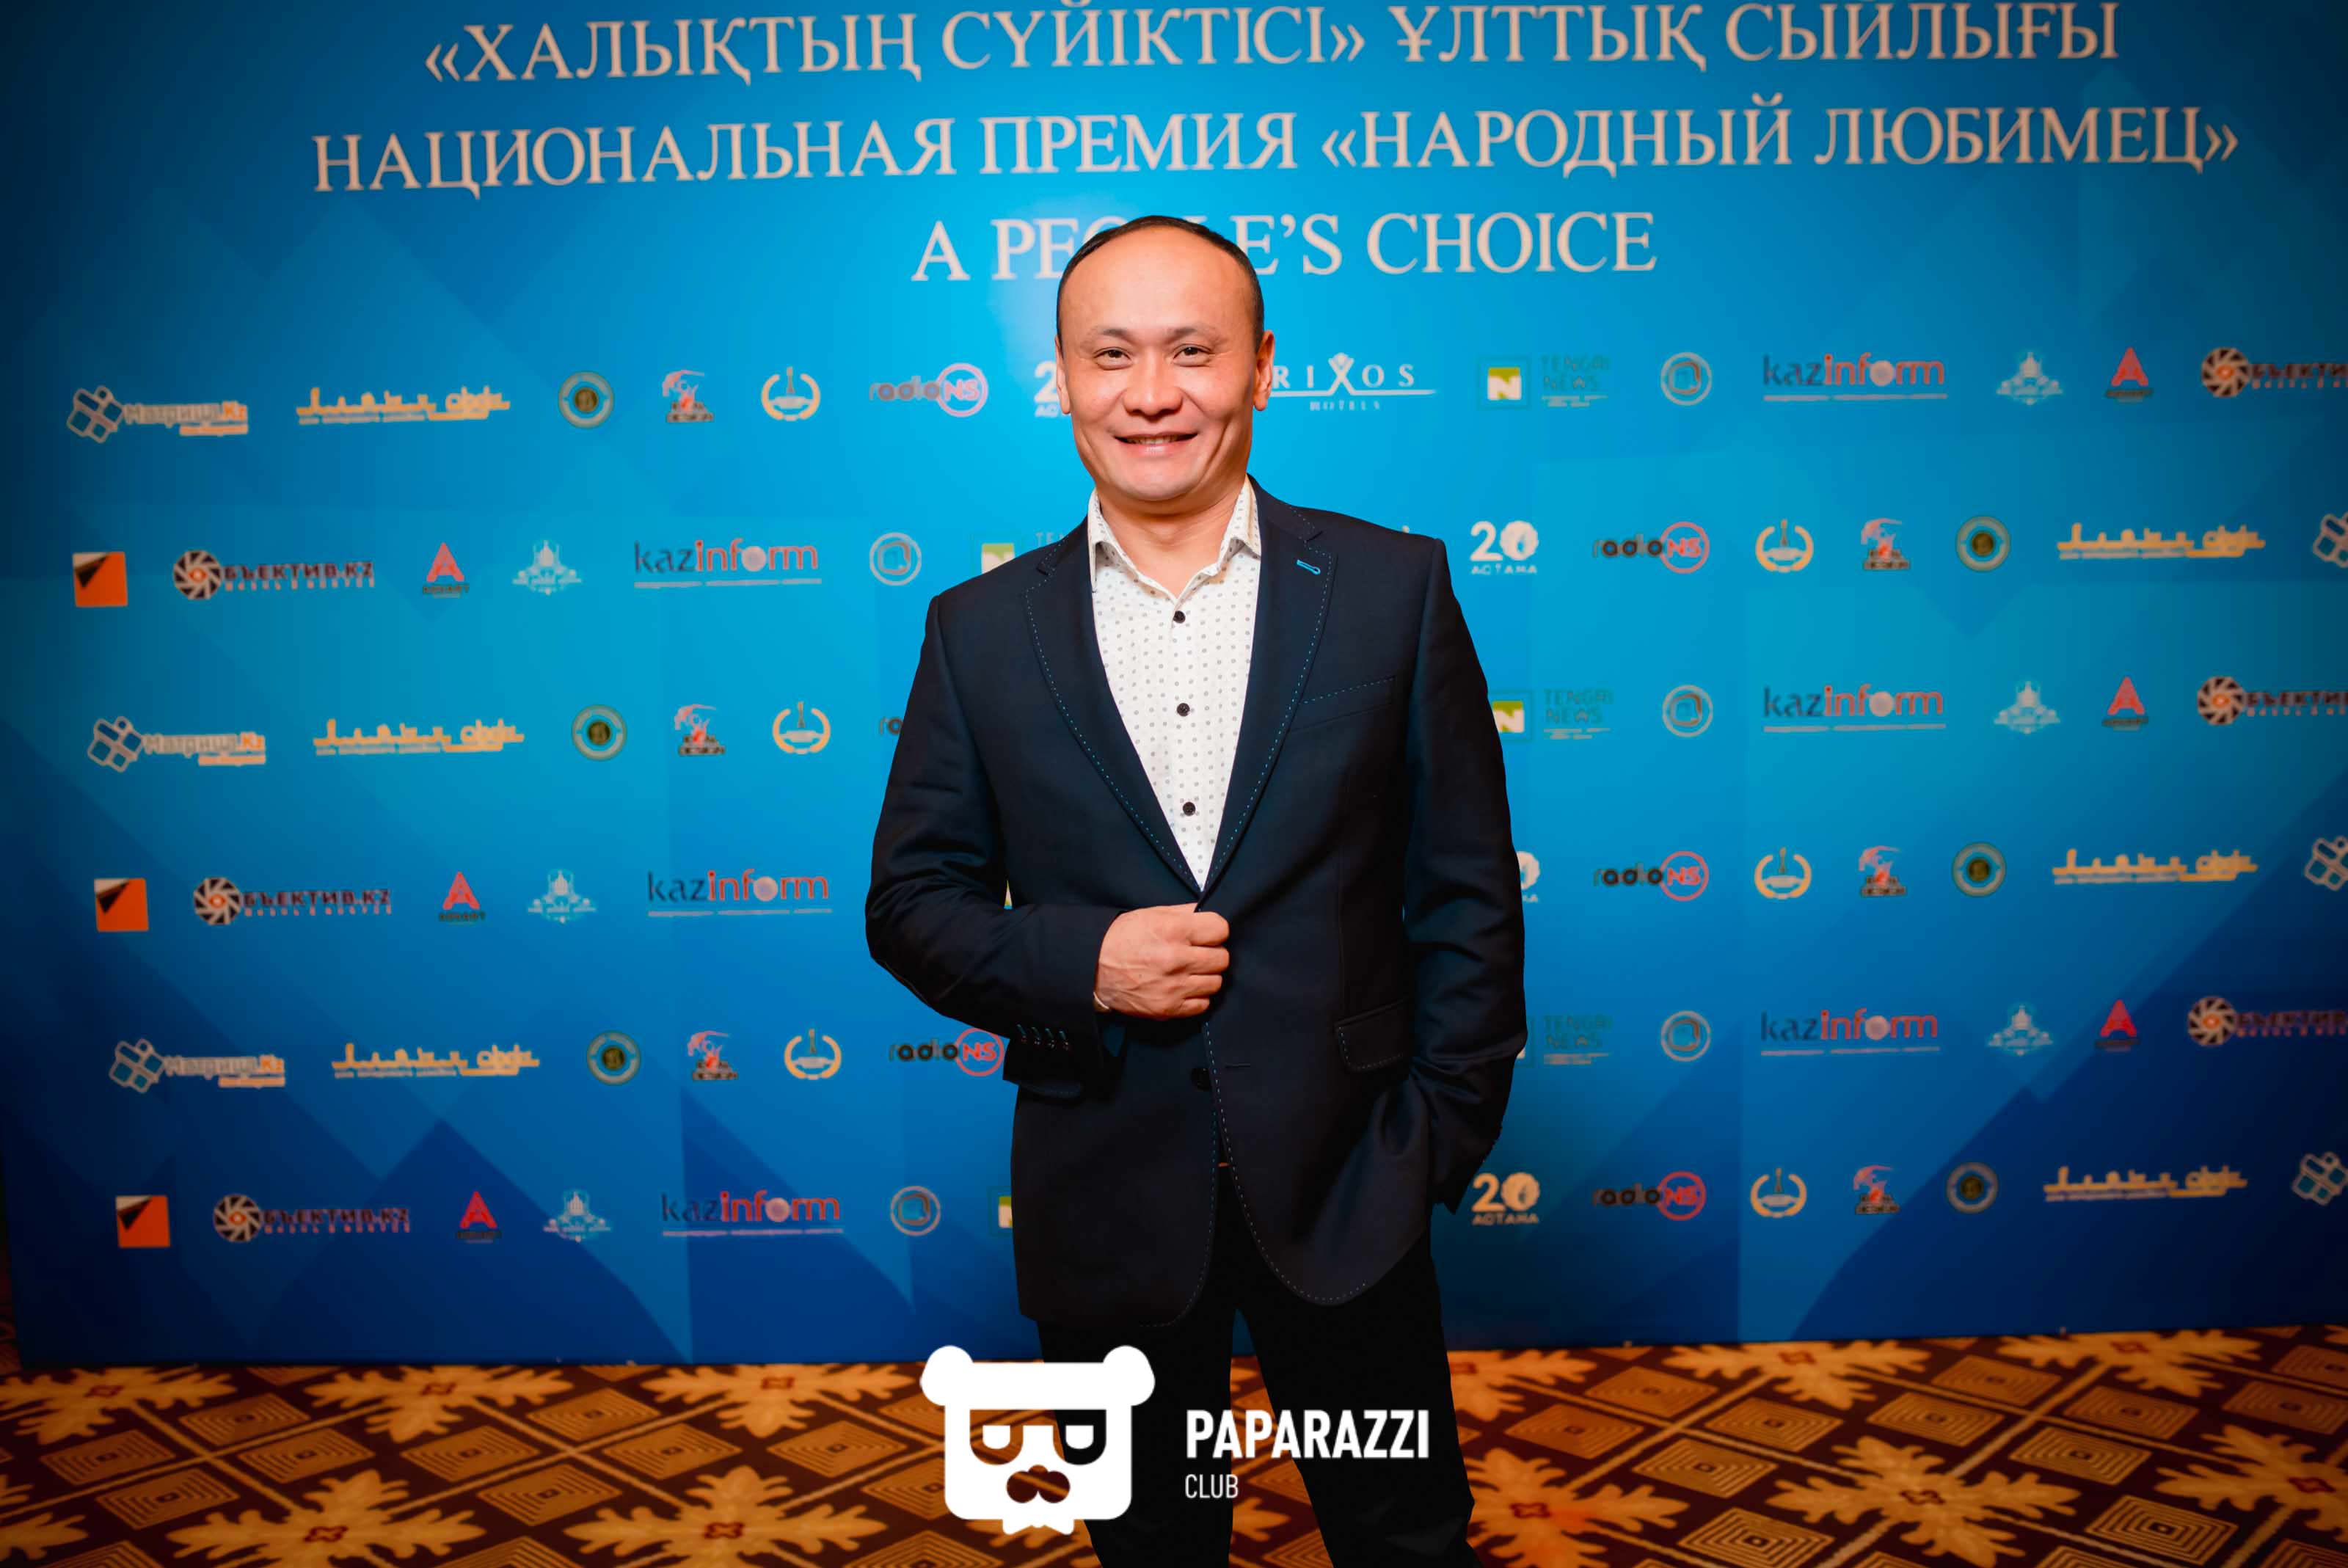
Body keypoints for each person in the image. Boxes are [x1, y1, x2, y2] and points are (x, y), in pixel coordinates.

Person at [866, 214, 1525, 1566]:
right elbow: (912, 902)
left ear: (1262, 366)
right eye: (1111, 354)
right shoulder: (976, 631)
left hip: (1351, 1188)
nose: (1151, 393)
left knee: (1404, 1539)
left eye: (1192, 351)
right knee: (1154, 1545)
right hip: (1103, 1195)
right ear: (1060, 374)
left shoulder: (1392, 590)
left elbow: (1467, 892)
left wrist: (1433, 1144)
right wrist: (1090, 962)